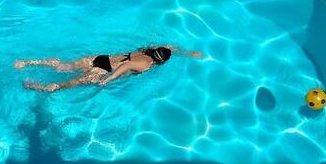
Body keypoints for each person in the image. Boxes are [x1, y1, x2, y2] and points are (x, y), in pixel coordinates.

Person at [15, 45, 203, 92]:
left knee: (64, 66)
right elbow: (128, 65)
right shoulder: (147, 63)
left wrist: (188, 53)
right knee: (65, 85)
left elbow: (171, 47)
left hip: (100, 58)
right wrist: (109, 79)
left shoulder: (150, 49)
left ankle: (28, 62)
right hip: (104, 71)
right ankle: (38, 87)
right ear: (160, 61)